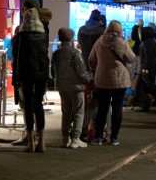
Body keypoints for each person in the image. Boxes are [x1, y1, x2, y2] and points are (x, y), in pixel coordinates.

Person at [88, 20, 136, 145]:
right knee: (117, 107)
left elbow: (91, 60)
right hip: (119, 81)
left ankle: (98, 137)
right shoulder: (121, 43)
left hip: (102, 80)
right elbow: (131, 59)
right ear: (119, 30)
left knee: (102, 108)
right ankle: (114, 137)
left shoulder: (99, 42)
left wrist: (97, 68)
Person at [12, 7, 51, 153]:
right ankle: (41, 141)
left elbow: (16, 55)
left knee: (28, 106)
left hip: (26, 73)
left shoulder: (21, 36)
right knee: (38, 105)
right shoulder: (43, 34)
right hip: (41, 73)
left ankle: (31, 142)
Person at [51, 27, 91, 148]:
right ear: (71, 38)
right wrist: (89, 81)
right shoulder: (75, 53)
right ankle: (75, 139)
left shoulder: (56, 53)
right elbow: (82, 72)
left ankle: (65, 139)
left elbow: (53, 72)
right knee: (78, 112)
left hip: (62, 87)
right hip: (76, 87)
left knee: (66, 113)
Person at [77, 9, 105, 140]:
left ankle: (82, 127)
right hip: (97, 66)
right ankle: (94, 126)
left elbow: (80, 46)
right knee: (97, 97)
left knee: (84, 96)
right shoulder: (102, 31)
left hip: (83, 64)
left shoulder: (81, 29)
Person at [133, 24, 156, 112]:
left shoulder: (147, 44)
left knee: (143, 87)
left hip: (147, 69)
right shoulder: (152, 42)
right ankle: (146, 104)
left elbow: (148, 58)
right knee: (145, 87)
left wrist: (145, 69)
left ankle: (150, 103)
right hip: (149, 68)